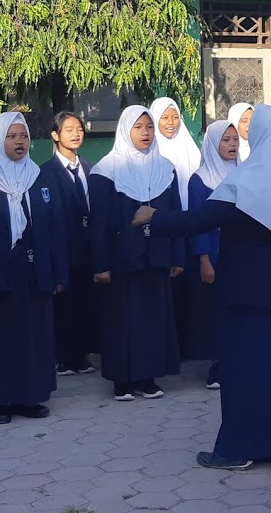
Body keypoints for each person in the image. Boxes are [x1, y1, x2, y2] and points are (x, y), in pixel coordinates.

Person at [136, 106, 271, 470]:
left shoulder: (250, 180)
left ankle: (238, 449)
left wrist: (153, 218)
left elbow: (201, 218)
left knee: (246, 370)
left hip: (249, 295)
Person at [0, 112, 66, 424]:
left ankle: (28, 397)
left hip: (33, 272)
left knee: (32, 334)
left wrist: (59, 273)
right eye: (12, 136)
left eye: (24, 136)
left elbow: (56, 229)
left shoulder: (39, 177)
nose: (20, 142)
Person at [90, 105, 186, 401]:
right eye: (138, 127)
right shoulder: (105, 171)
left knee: (154, 319)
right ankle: (122, 379)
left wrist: (177, 256)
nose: (145, 133)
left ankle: (148, 377)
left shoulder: (165, 168)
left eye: (149, 127)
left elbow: (176, 214)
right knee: (123, 320)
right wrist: (101, 265)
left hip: (156, 256)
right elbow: (99, 224)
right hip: (122, 260)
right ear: (125, 130)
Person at [153, 98, 213, 371]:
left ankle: (193, 346)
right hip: (168, 230)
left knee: (194, 293)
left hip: (195, 227)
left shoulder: (191, 151)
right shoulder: (153, 156)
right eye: (164, 118)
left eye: (174, 117)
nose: (170, 123)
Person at [178, 120, 239, 390]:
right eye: (225, 140)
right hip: (214, 251)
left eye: (235, 139)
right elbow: (197, 222)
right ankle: (218, 367)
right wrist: (203, 258)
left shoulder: (245, 173)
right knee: (217, 311)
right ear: (213, 145)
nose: (232, 145)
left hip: (240, 251)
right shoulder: (200, 180)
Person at [38, 112, 97, 377]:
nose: (76, 134)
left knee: (86, 301)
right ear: (55, 135)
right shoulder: (45, 173)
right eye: (69, 129)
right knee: (64, 302)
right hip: (62, 246)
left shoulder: (90, 168)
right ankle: (64, 356)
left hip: (88, 247)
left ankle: (83, 353)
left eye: (79, 129)